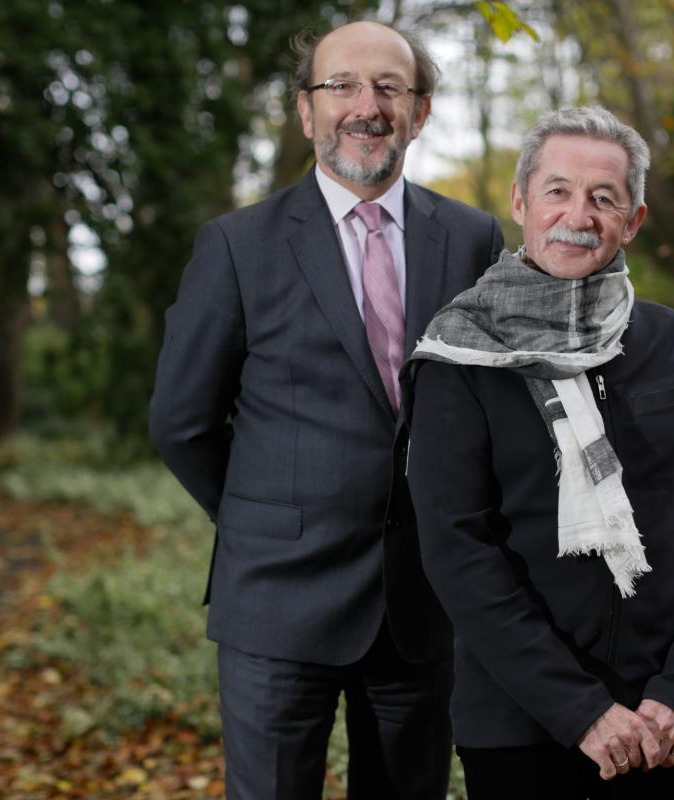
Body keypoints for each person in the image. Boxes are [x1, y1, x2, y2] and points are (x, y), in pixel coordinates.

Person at [148, 20, 503, 800]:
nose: (365, 106)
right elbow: (182, 422)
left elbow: (494, 414)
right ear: (306, 111)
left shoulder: (474, 240)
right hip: (277, 600)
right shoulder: (237, 245)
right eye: (341, 85)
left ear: (422, 110)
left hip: (422, 606)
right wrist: (266, 516)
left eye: (389, 88)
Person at [405, 106, 674, 799]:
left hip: (662, 722)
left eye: (603, 197)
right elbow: (457, 551)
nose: (578, 214)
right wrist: (581, 709)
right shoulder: (460, 356)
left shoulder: (670, 344)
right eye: (558, 190)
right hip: (518, 723)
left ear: (633, 220)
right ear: (521, 202)